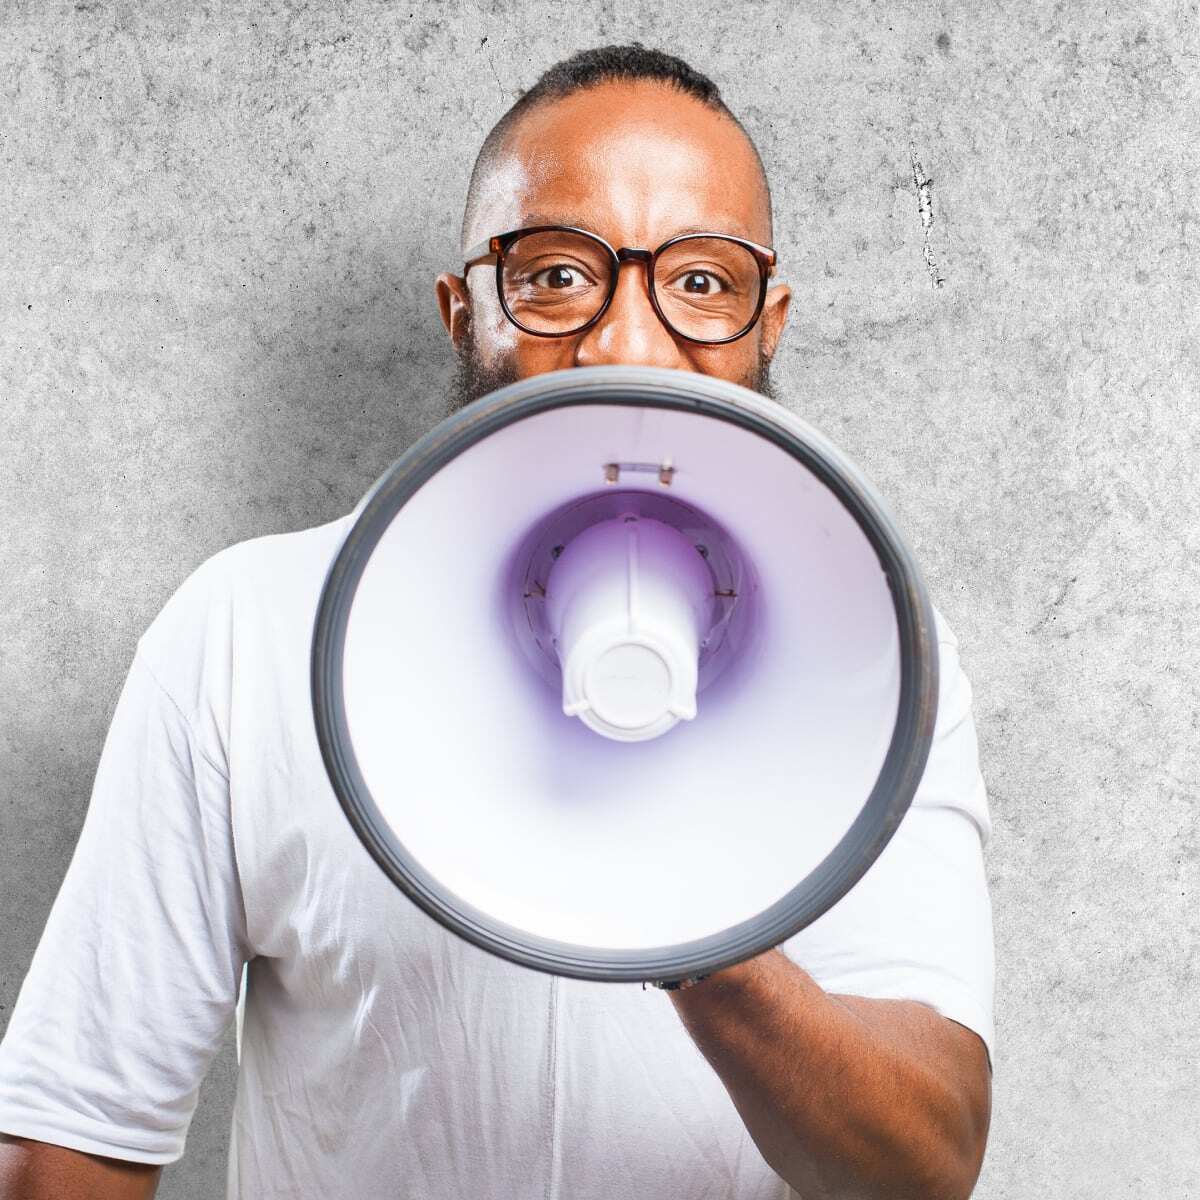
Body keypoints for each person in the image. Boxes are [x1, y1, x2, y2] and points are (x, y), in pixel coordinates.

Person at [0, 44, 994, 1200]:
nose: (629, 343)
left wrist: (703, 941)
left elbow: (921, 1168)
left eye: (704, 284)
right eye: (559, 275)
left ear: (768, 326)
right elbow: (73, 1144)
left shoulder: (881, 658)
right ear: (461, 309)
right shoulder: (247, 635)